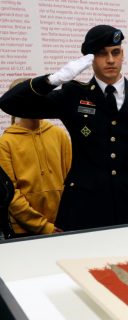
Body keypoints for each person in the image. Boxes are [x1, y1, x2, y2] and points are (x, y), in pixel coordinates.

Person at [0, 25, 128, 231]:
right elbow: (10, 103)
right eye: (102, 54)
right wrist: (54, 79)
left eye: (115, 52)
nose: (110, 60)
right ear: (90, 58)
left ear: (122, 54)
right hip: (84, 210)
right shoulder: (74, 95)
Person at [0, 78, 72, 236]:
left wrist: (66, 219)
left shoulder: (59, 135)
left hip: (62, 225)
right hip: (24, 230)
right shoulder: (5, 143)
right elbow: (10, 195)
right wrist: (43, 227)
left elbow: (71, 179)